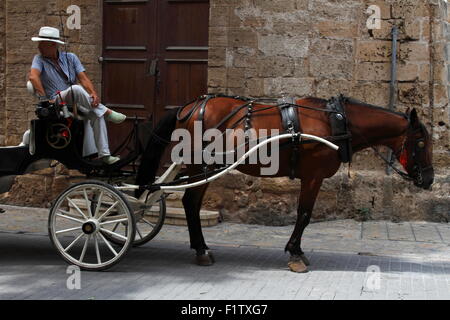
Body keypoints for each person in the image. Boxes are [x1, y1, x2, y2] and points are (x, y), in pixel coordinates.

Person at [28, 26, 125, 164]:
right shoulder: (39, 59)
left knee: (96, 115)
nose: (38, 47)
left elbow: (83, 78)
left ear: (53, 45)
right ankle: (107, 112)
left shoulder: (71, 58)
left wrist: (93, 93)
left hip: (75, 102)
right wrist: (44, 98)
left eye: (42, 44)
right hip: (55, 101)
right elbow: (33, 77)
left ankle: (105, 155)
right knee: (77, 89)